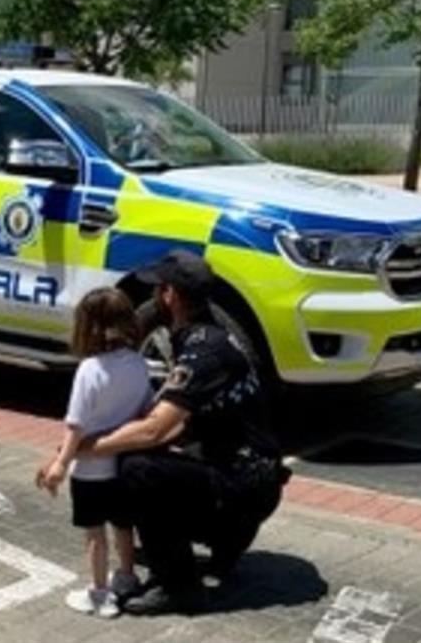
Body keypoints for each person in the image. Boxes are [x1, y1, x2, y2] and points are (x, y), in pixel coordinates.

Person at [57, 250, 289, 616]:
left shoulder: (204, 349)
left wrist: (82, 448)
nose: (152, 298)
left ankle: (179, 587)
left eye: (159, 289)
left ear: (172, 296)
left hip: (245, 485)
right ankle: (225, 539)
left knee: (137, 467)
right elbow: (175, 422)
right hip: (249, 475)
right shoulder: (208, 334)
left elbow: (154, 429)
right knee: (149, 461)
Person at [36, 288, 152, 618]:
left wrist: (60, 462)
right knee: (123, 525)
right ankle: (127, 576)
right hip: (124, 463)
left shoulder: (89, 369)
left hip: (90, 471)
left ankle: (100, 594)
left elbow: (75, 425)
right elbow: (146, 408)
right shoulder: (138, 363)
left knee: (94, 534)